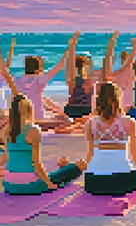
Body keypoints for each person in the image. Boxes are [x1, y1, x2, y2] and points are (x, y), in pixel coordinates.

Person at [0, 48, 84, 194]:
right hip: (31, 184)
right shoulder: (33, 130)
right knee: (76, 168)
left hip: (8, 185)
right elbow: (37, 164)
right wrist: (69, 50)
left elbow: (6, 74)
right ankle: (66, 166)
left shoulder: (7, 129)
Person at [83, 82, 136, 195]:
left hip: (94, 182)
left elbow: (89, 156)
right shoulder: (129, 122)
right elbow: (135, 157)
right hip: (123, 181)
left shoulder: (90, 123)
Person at [10, 33, 81, 129]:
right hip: (38, 120)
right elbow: (60, 65)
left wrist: (11, 50)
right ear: (37, 69)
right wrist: (70, 47)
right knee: (67, 121)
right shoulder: (40, 79)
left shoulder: (16, 80)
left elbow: (5, 71)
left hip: (21, 120)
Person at [63, 54, 94, 119]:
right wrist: (91, 65)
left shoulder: (72, 81)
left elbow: (70, 93)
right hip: (86, 110)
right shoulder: (89, 81)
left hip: (72, 110)